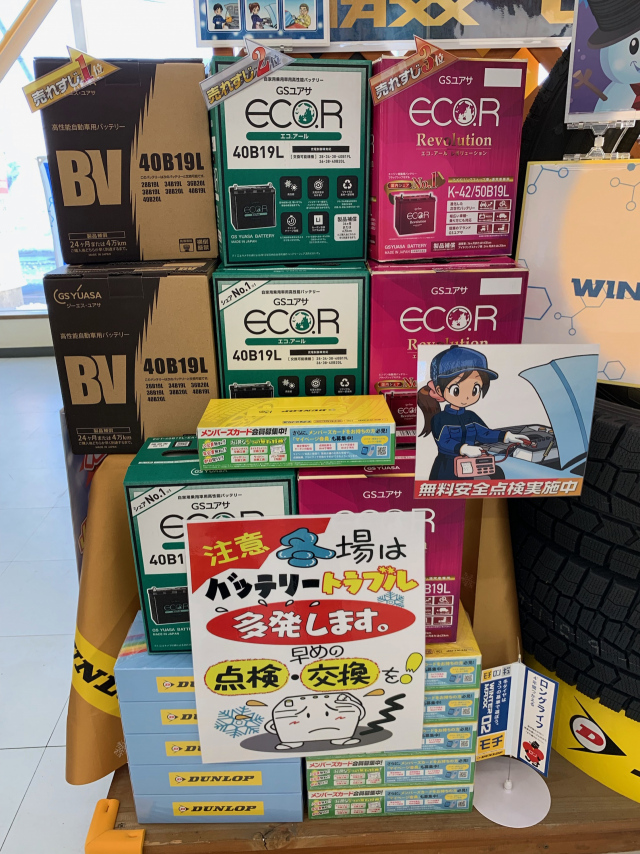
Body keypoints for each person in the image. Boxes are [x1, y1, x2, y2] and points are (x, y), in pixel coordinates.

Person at [416, 345, 527, 481]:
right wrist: (463, 449)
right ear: (439, 390)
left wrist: (507, 436)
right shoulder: (440, 419)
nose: (467, 396)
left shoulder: (471, 416)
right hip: (446, 468)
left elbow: (485, 434)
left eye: (475, 389)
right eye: (456, 390)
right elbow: (444, 442)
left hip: (470, 467)